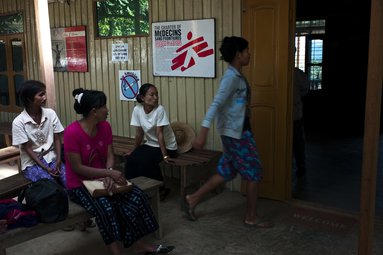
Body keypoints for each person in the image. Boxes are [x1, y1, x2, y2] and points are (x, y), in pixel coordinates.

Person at [64, 88, 174, 255]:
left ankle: (140, 244)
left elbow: (109, 155)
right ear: (94, 111)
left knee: (137, 196)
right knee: (107, 208)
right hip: (79, 185)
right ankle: (116, 252)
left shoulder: (105, 127)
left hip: (103, 177)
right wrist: (108, 174)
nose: (107, 110)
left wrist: (108, 171)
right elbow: (78, 168)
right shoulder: (72, 133)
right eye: (104, 107)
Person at [184, 36, 273, 228]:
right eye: (247, 51)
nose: (250, 54)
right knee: (254, 173)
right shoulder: (231, 78)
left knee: (227, 170)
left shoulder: (237, 76)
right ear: (238, 55)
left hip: (236, 132)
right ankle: (251, 216)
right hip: (237, 135)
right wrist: (203, 133)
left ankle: (193, 198)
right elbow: (216, 104)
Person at [124, 83, 177, 201]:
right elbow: (139, 133)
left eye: (156, 95)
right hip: (151, 144)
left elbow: (160, 134)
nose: (155, 98)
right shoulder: (137, 110)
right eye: (151, 95)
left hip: (167, 147)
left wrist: (165, 155)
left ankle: (160, 189)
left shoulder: (160, 109)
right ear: (142, 98)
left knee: (146, 160)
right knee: (132, 158)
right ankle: (131, 188)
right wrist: (133, 150)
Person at [12, 80, 66, 186]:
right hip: (32, 163)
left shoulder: (50, 113)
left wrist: (59, 160)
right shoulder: (19, 122)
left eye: (44, 94)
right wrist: (45, 167)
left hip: (52, 157)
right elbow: (28, 148)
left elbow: (56, 138)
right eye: (41, 95)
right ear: (29, 98)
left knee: (69, 181)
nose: (45, 97)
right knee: (50, 185)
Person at [293, 67, 310, 178]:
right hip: (295, 113)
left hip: (294, 113)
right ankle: (300, 165)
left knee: (297, 141)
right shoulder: (297, 73)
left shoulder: (297, 73)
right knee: (298, 141)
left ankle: (300, 165)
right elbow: (305, 89)